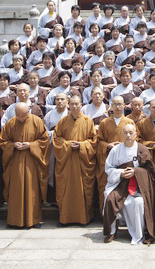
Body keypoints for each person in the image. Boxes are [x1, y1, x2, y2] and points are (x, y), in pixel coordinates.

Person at [103, 123, 155, 245]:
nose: (128, 135)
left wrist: (136, 171)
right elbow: (108, 169)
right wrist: (120, 173)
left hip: (137, 185)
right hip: (119, 183)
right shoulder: (115, 150)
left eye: (131, 133)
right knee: (111, 199)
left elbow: (150, 171)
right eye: (125, 133)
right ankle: (112, 231)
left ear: (136, 134)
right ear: (121, 134)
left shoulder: (141, 149)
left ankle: (139, 234)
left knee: (137, 202)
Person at [0, 103, 50, 228]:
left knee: (32, 190)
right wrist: (13, 145)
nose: (21, 118)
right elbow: (3, 141)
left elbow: (44, 140)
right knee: (15, 189)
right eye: (18, 115)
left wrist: (31, 145)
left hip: (32, 161)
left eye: (23, 115)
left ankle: (33, 220)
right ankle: (14, 220)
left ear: (29, 112)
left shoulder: (37, 121)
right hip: (15, 161)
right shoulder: (11, 123)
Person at [52, 95, 98, 225]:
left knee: (84, 190)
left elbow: (93, 141)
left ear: (81, 105)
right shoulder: (62, 121)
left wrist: (82, 145)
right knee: (65, 188)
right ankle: (65, 218)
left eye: (77, 104)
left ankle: (84, 218)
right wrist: (67, 144)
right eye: (72, 104)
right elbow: (56, 139)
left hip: (82, 161)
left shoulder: (88, 121)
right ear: (68, 105)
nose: (74, 106)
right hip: (66, 162)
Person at [95, 96, 136, 210]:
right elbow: (98, 141)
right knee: (105, 185)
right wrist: (108, 145)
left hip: (125, 159)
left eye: (120, 104)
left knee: (125, 186)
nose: (118, 107)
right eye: (115, 104)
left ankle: (125, 217)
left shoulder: (129, 122)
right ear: (111, 106)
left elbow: (134, 140)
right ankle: (106, 214)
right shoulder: (104, 122)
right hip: (108, 159)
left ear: (124, 106)